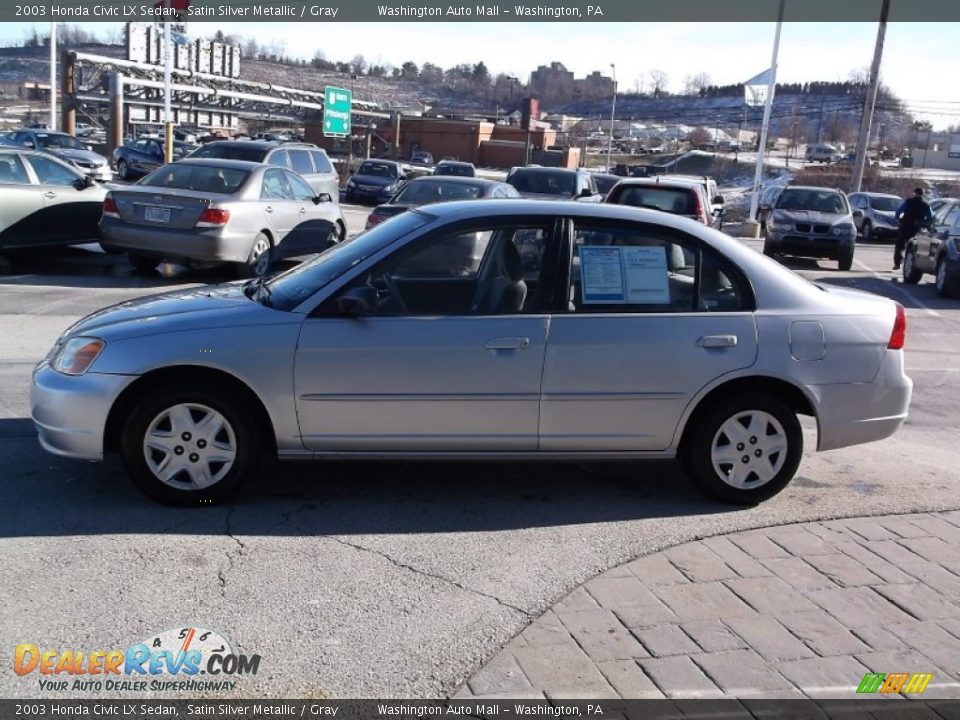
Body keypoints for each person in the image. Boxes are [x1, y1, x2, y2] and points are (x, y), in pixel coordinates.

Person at [893, 188, 932, 270]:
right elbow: (929, 218)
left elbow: (899, 211)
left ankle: (897, 263)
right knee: (914, 247)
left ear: (915, 193)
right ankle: (912, 264)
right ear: (922, 194)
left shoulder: (908, 202)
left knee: (899, 245)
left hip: (905, 225)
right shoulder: (926, 205)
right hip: (916, 228)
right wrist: (924, 223)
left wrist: (898, 219)